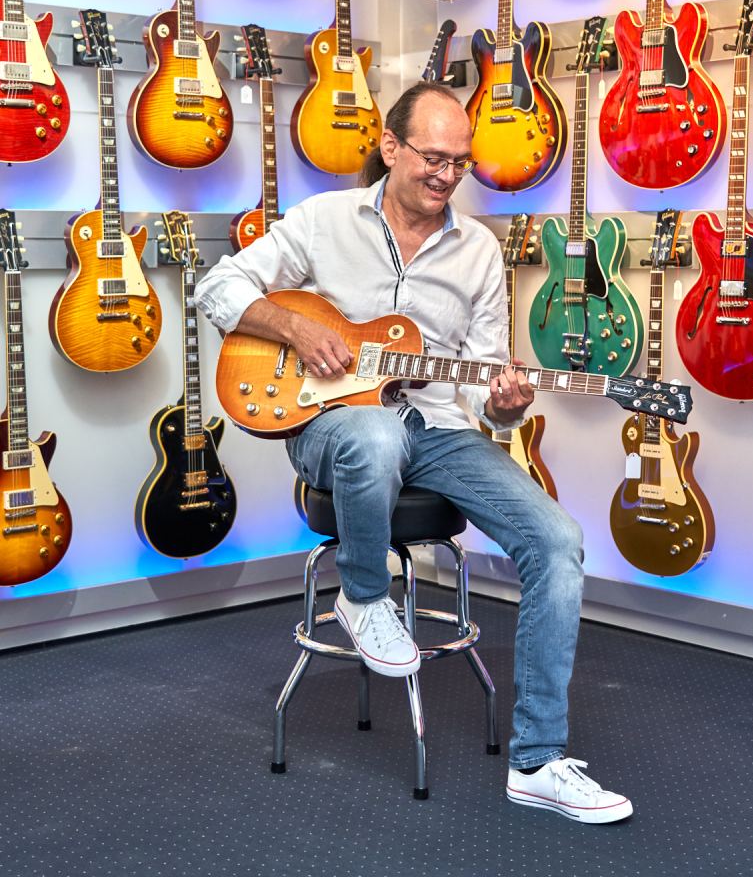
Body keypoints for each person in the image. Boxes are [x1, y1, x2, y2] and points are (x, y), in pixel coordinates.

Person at [195, 81, 632, 824]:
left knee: (558, 540)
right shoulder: (324, 220)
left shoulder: (480, 251)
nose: (446, 174)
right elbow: (219, 284)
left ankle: (538, 762)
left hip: (437, 429)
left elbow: (485, 377)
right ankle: (364, 597)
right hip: (331, 424)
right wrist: (297, 329)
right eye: (433, 157)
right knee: (375, 433)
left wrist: (505, 405)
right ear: (391, 147)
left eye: (460, 162)